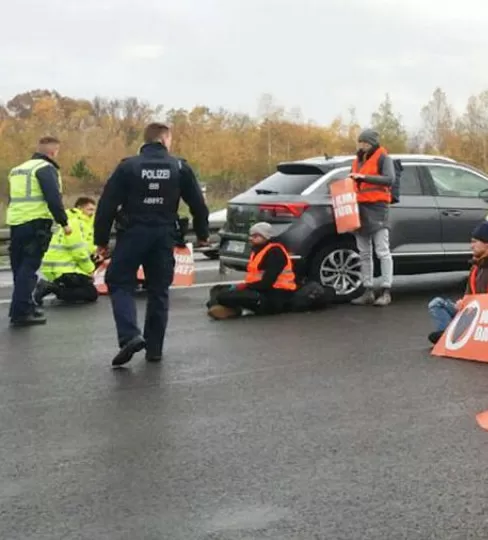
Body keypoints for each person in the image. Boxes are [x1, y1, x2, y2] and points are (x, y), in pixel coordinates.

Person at [94, 122, 210, 366]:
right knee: (158, 290)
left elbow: (106, 206)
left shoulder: (128, 167)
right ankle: (154, 349)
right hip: (164, 235)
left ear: (145, 141)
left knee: (119, 281)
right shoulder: (179, 167)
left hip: (133, 233)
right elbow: (198, 205)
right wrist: (202, 235)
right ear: (165, 140)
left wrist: (101, 242)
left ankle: (130, 336)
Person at [427, 221, 488, 345]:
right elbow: (468, 296)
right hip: (476, 315)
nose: (471, 246)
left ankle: (450, 336)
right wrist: (462, 303)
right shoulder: (476, 268)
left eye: (475, 242)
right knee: (437, 303)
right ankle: (446, 334)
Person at [6, 136, 70, 326]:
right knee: (29, 266)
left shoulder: (18, 170)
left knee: (19, 267)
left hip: (16, 221)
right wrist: (64, 222)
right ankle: (21, 312)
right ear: (53, 152)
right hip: (36, 223)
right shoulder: (45, 169)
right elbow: (53, 198)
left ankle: (25, 304)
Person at [206, 222, 297, 319]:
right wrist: (241, 287)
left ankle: (238, 310)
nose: (251, 238)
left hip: (274, 295)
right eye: (251, 235)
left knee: (223, 296)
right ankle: (226, 308)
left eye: (255, 236)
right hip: (257, 289)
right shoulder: (258, 250)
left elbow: (267, 283)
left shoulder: (275, 253)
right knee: (217, 289)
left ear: (266, 237)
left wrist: (245, 287)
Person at [349, 128, 396, 307]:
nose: (362, 145)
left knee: (382, 250)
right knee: (364, 252)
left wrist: (364, 177)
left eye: (365, 142)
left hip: (377, 208)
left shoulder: (383, 158)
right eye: (360, 142)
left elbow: (389, 179)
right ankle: (367, 289)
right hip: (359, 208)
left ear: (372, 143)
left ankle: (386, 290)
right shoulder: (357, 160)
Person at [35, 196, 98, 305]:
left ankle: (61, 288)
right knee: (90, 294)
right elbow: (78, 251)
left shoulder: (74, 221)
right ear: (79, 208)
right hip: (63, 268)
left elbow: (87, 246)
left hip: (60, 266)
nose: (92, 213)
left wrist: (96, 252)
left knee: (86, 289)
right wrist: (90, 270)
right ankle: (53, 288)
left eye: (93, 210)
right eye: (89, 209)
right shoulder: (75, 223)